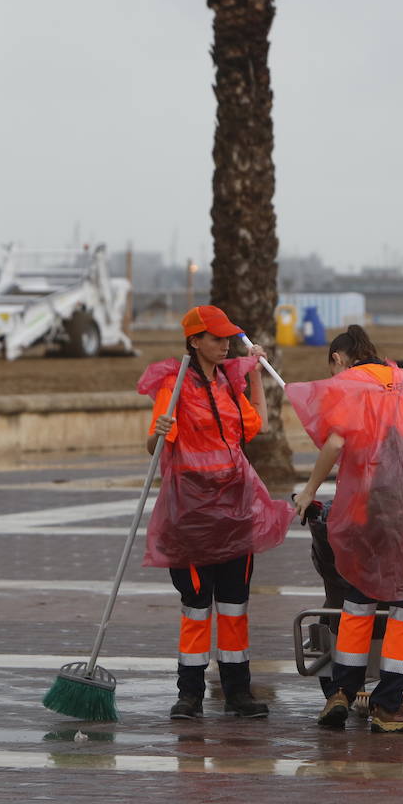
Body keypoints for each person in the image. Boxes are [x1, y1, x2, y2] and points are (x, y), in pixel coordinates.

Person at [288, 326, 403, 732]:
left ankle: (342, 691)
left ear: (339, 358)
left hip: (368, 513)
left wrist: (308, 492)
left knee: (358, 600)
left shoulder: (350, 385)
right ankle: (389, 705)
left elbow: (335, 443)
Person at [138, 305, 293, 721]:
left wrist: (255, 373)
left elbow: (252, 425)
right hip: (190, 514)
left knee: (234, 603)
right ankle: (188, 693)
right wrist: (155, 436)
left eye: (227, 338)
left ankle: (237, 691)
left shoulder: (227, 381)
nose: (224, 345)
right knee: (195, 604)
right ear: (195, 341)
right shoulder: (172, 386)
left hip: (234, 510)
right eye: (216, 338)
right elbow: (156, 448)